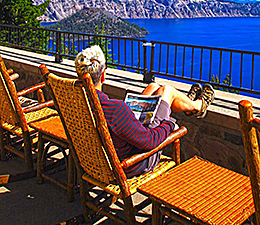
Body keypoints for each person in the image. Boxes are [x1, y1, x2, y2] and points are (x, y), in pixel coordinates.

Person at [75, 45, 214, 178]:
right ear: (103, 76)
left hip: (98, 161)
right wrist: (170, 125)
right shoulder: (114, 109)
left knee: (153, 87)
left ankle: (186, 103)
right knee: (166, 90)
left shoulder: (75, 101)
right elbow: (151, 141)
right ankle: (197, 106)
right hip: (133, 163)